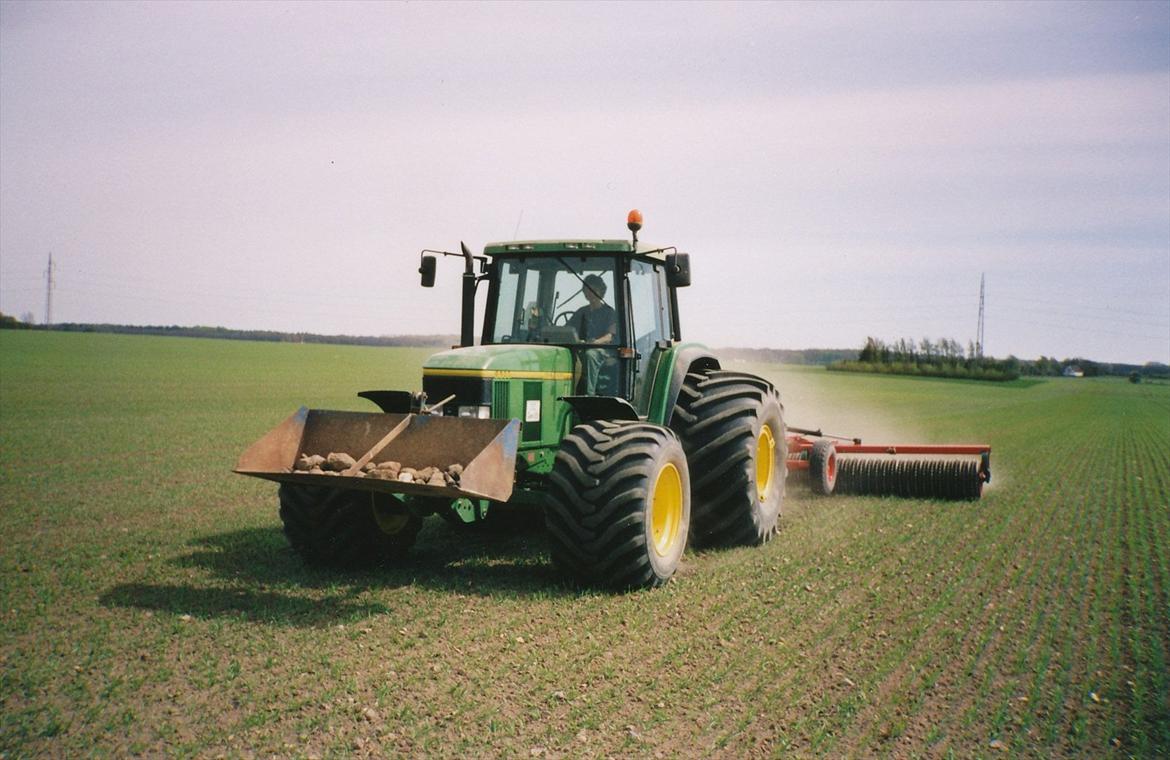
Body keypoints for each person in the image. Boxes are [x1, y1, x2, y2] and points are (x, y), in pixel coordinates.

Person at [568, 274, 617, 394]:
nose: (590, 293)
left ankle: (589, 394)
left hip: (605, 349)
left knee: (591, 355)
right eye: (587, 290)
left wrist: (594, 343)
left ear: (601, 291)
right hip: (582, 347)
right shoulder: (581, 312)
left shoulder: (609, 312)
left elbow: (609, 337)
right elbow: (568, 330)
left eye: (593, 289)